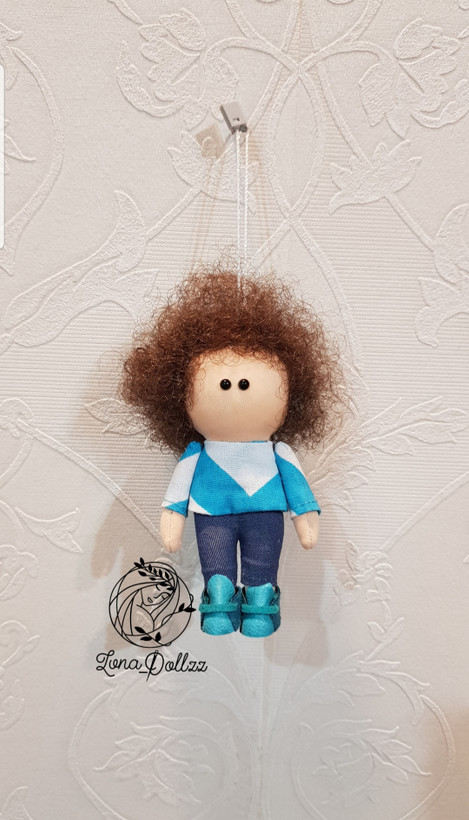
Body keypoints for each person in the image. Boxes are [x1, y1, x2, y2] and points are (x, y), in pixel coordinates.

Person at [121, 264, 343, 637]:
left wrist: (305, 518)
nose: (236, 387)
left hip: (263, 515)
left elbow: (300, 492)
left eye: (246, 382)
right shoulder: (196, 452)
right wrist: (172, 521)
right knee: (218, 571)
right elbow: (176, 497)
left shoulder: (279, 452)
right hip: (213, 516)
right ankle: (220, 609)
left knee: (262, 570)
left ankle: (259, 609)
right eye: (223, 383)